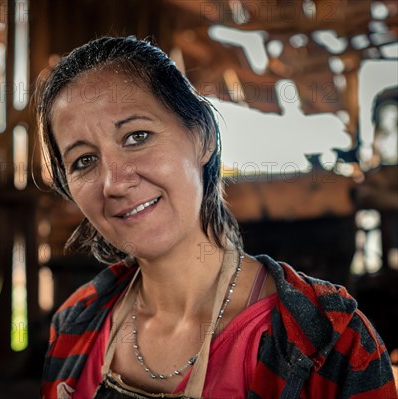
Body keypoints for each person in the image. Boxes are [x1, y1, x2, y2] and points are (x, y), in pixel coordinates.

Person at [36, 36, 397, 399]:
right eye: (84, 161)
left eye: (137, 136)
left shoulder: (330, 342)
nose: (113, 183)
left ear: (203, 137)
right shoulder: (75, 324)